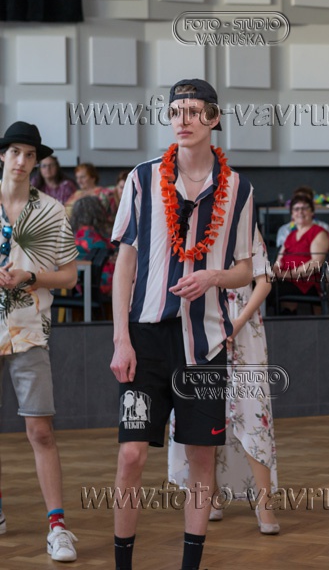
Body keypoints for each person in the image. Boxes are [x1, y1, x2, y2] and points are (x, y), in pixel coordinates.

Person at [109, 78, 255, 570]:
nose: (183, 120)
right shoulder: (142, 178)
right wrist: (121, 339)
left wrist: (213, 276)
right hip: (145, 338)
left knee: (201, 457)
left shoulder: (239, 188)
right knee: (131, 455)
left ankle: (190, 565)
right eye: (176, 111)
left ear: (214, 118)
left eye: (194, 111)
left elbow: (246, 268)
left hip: (204, 343)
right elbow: (125, 264)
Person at [0, 121, 80, 561]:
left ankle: (58, 526)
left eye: (30, 155)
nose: (22, 161)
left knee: (41, 430)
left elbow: (68, 277)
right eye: (15, 151)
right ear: (2, 155)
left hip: (30, 329)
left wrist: (30, 276)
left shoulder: (51, 211)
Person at [168, 228, 279, 535]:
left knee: (253, 410)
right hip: (198, 325)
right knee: (203, 410)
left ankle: (264, 504)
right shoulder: (187, 227)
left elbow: (264, 281)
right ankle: (212, 496)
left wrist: (237, 322)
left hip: (243, 326)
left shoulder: (244, 225)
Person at [272, 193, 329, 312]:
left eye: (304, 208)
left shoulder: (318, 233)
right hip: (286, 280)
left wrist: (287, 274)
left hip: (307, 282)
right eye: (296, 209)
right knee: (260, 284)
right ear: (292, 214)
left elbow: (316, 263)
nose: (300, 212)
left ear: (312, 212)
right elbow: (279, 261)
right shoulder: (290, 236)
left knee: (268, 289)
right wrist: (273, 272)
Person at [71, 195, 116, 295]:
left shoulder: (76, 234)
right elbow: (109, 252)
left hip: (80, 282)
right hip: (98, 282)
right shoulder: (91, 235)